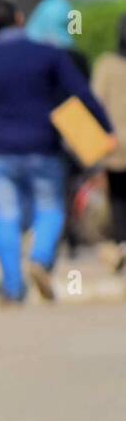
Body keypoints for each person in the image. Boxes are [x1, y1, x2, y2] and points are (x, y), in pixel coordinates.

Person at [0, 0, 115, 304]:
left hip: (0, 152)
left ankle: (13, 289)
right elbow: (82, 93)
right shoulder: (48, 56)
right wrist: (106, 129)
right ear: (20, 18)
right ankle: (41, 259)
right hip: (43, 149)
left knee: (5, 217)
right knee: (51, 208)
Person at [90, 14, 126, 272]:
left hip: (115, 145)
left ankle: (121, 244)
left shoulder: (107, 64)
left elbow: (94, 101)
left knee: (118, 200)